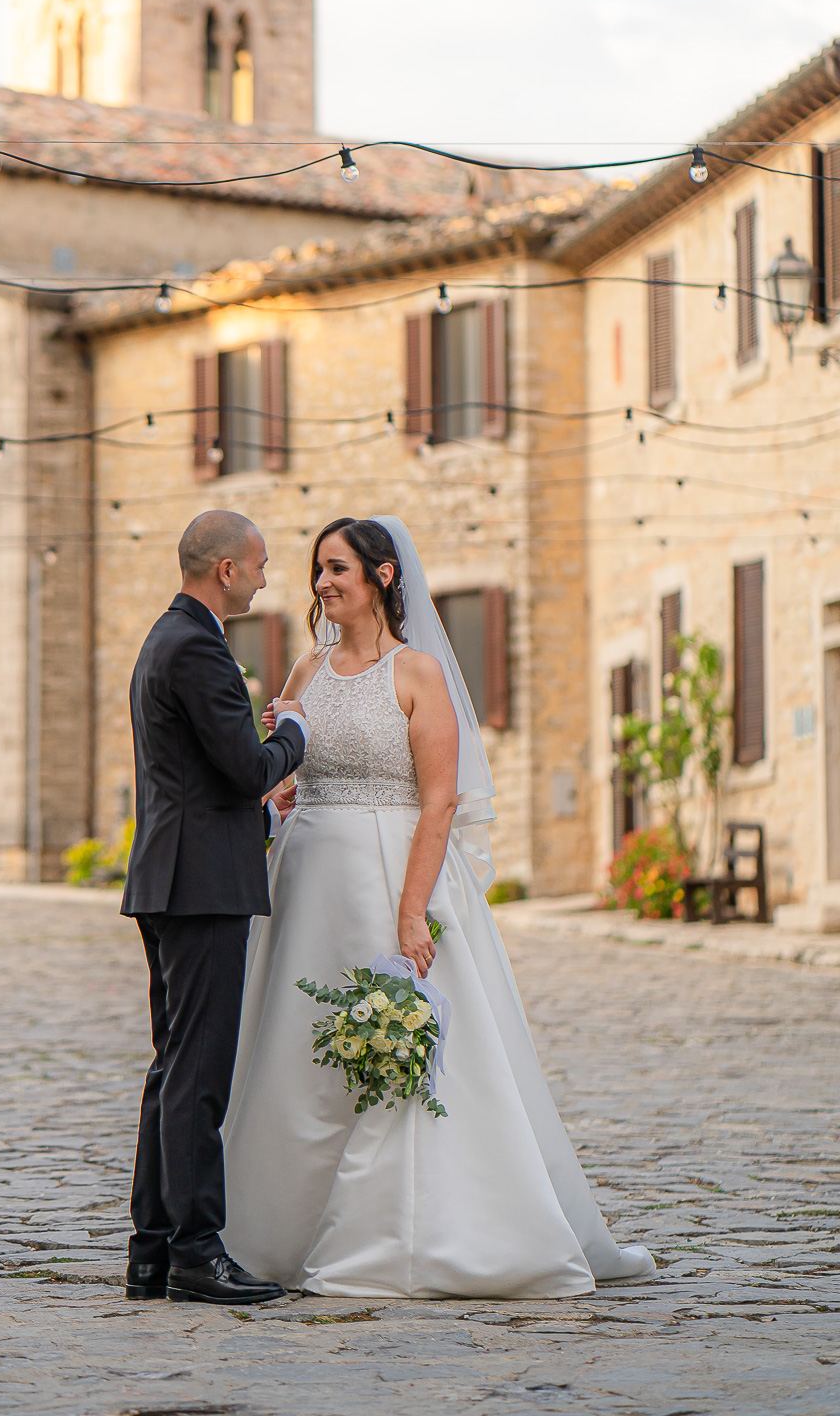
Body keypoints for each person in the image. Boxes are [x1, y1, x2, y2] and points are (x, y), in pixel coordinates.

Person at [222, 515, 655, 1299]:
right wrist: (273, 805)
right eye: (317, 569)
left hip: (392, 878)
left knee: (409, 1053)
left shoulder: (416, 673)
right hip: (306, 888)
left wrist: (412, 911)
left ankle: (417, 1235)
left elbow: (440, 802)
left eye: (338, 569)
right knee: (296, 1053)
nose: (322, 583)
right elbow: (281, 776)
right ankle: (277, 1231)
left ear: (382, 578)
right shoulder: (304, 673)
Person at [121, 509, 306, 1306]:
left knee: (172, 1072)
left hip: (177, 875)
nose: (266, 578)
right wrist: (295, 734)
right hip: (199, 888)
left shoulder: (167, 638)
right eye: (259, 564)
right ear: (225, 570)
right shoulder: (196, 646)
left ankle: (153, 1252)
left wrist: (265, 819)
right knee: (197, 1078)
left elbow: (202, 783)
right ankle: (197, 1251)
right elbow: (240, 768)